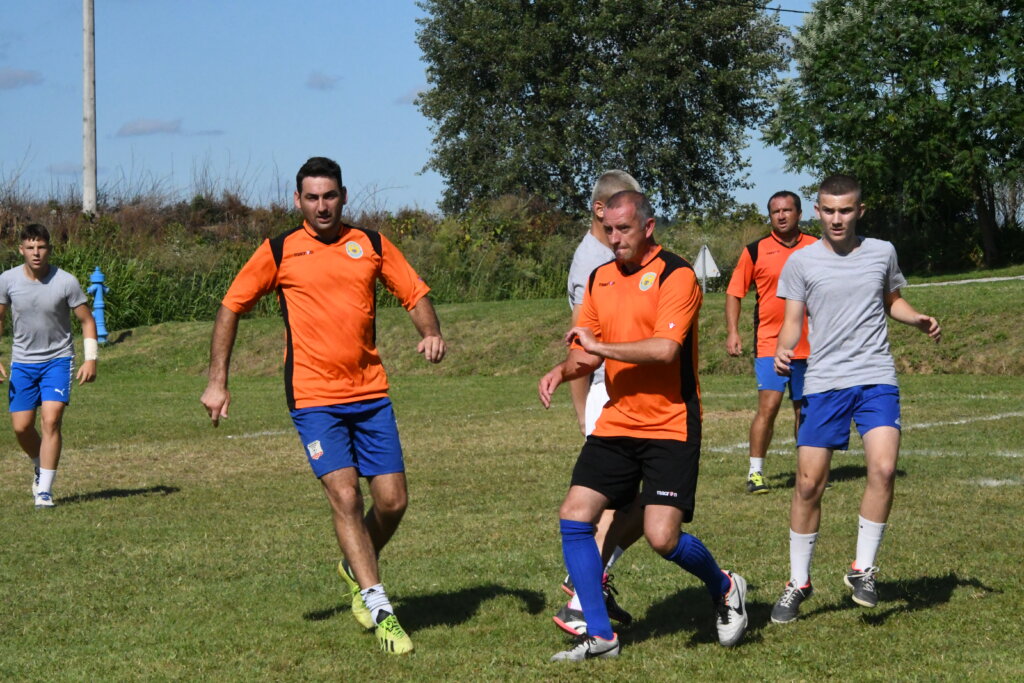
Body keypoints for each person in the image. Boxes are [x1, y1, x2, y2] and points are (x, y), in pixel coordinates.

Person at [200, 157, 446, 655]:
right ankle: (381, 608)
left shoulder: (371, 244)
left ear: (344, 195)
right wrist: (217, 382)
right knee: (347, 497)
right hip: (314, 398)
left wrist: (431, 332)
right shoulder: (279, 250)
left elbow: (414, 290)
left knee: (394, 501)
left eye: (329, 196)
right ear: (298, 201)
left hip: (371, 392)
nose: (321, 206)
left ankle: (356, 564)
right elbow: (231, 307)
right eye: (311, 198)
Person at [539, 191, 747, 662]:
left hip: (671, 421)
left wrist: (601, 347)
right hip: (617, 418)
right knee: (575, 514)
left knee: (661, 538)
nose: (615, 239)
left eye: (624, 230)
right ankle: (600, 633)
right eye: (609, 230)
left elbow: (664, 350)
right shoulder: (600, 278)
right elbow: (587, 350)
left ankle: (725, 586)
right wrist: (563, 369)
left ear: (648, 227)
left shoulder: (677, 275)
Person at [770, 174, 941, 624]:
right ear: (817, 211)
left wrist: (915, 318)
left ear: (860, 211)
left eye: (845, 210)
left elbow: (892, 301)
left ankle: (862, 569)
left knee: (883, 469)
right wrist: (784, 347)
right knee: (808, 484)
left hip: (875, 377)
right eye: (829, 210)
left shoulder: (882, 251)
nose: (837, 218)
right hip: (825, 382)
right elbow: (792, 321)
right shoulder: (802, 262)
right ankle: (798, 581)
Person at [554, 170, 645, 637]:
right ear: (599, 210)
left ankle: (590, 586)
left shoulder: (610, 256)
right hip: (608, 400)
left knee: (641, 501)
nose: (620, 230)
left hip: (628, 396)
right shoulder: (592, 263)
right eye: (614, 218)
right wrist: (584, 420)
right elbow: (580, 349)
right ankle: (583, 591)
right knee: (635, 504)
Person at [0, 223, 98, 508]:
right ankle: (39, 465)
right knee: (21, 427)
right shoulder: (6, 280)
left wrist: (91, 359)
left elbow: (87, 320)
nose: (36, 253)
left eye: (41, 247)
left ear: (49, 249)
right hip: (23, 363)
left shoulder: (66, 281)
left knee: (51, 420)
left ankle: (44, 490)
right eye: (30, 247)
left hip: (58, 360)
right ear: (21, 250)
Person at [725, 191, 817, 494]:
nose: (781, 216)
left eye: (787, 210)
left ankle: (807, 472)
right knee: (769, 405)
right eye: (775, 211)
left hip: (811, 344)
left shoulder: (817, 247)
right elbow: (734, 292)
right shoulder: (755, 250)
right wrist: (733, 332)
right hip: (769, 344)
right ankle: (756, 473)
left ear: (799, 214)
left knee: (804, 409)